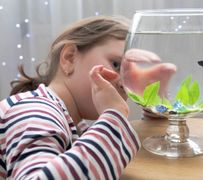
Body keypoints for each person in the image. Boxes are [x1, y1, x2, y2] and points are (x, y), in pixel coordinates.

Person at [0, 16, 140, 179]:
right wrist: (114, 117)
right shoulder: (36, 111)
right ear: (69, 57)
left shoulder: (71, 123)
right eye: (116, 64)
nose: (126, 84)